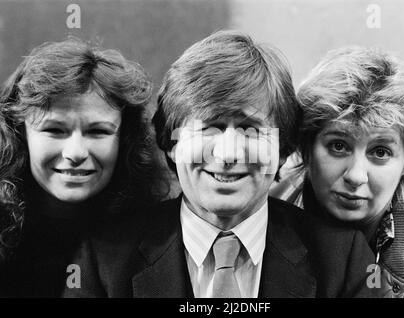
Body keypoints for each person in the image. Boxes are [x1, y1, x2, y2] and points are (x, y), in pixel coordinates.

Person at [64, 30, 377, 298]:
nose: (229, 154)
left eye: (251, 129)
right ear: (171, 144)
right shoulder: (103, 261)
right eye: (209, 127)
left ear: (282, 150)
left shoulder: (344, 261)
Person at [270, 46, 404, 297]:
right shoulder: (267, 202)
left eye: (380, 152)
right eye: (338, 146)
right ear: (307, 148)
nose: (356, 176)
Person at [0, 37, 165, 297]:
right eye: (54, 130)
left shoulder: (156, 239)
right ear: (20, 136)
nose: (75, 153)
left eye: (98, 131)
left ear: (125, 141)